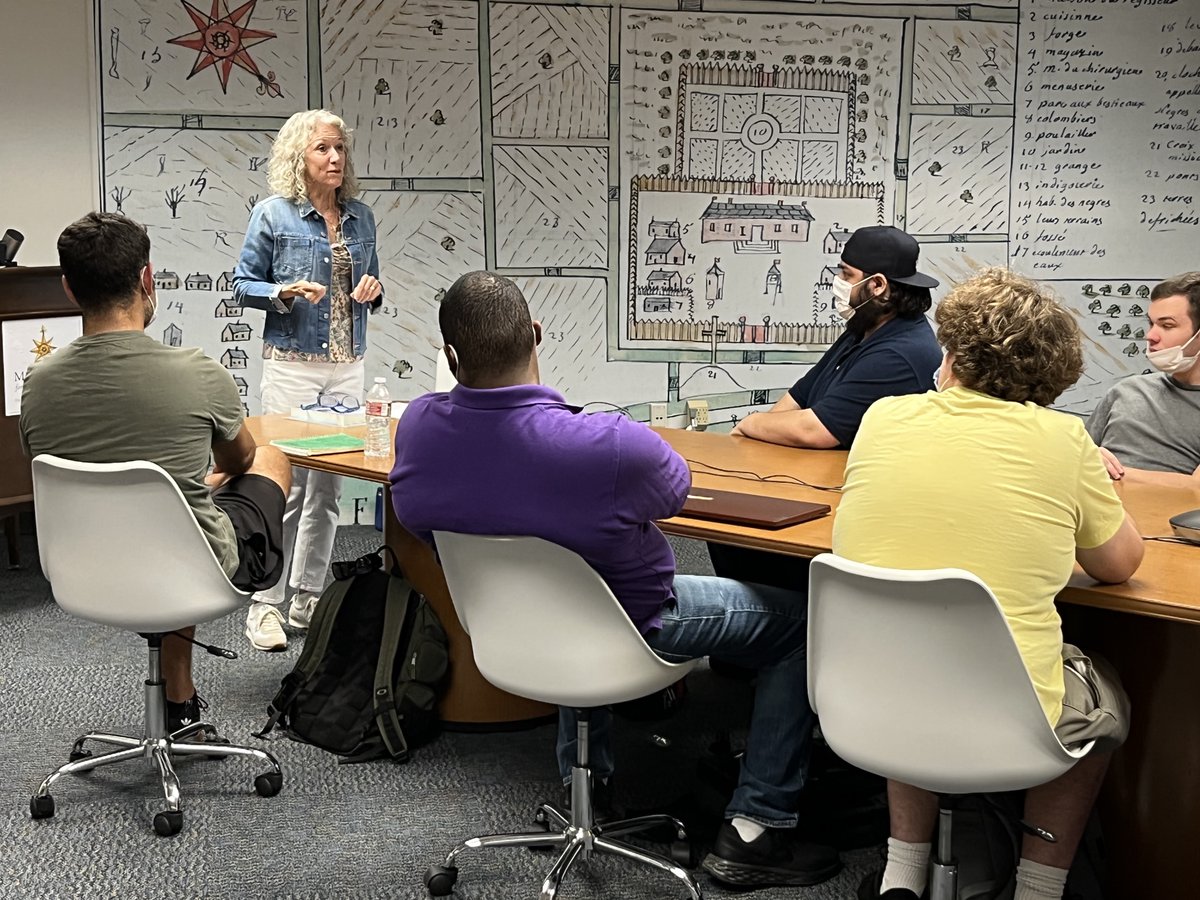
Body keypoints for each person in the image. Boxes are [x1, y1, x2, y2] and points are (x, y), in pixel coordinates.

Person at [389, 271, 841, 889]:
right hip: (640, 623)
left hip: (507, 631)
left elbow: (413, 517)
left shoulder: (417, 428)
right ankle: (756, 828)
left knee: (574, 595)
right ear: (537, 336)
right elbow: (675, 490)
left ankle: (592, 793)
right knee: (805, 623)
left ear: (449, 357)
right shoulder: (609, 444)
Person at [833, 268, 1142, 900]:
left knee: (916, 653)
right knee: (1104, 705)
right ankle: (1036, 889)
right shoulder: (1064, 438)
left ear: (952, 352)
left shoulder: (884, 417)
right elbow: (1119, 565)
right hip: (1008, 718)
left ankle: (901, 875)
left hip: (868, 699)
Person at [20, 211, 291, 734]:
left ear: (69, 289)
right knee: (269, 460)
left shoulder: (37, 383)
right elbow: (239, 462)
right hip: (190, 567)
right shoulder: (199, 373)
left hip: (83, 568)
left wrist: (173, 488)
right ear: (147, 280)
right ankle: (182, 688)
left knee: (180, 504)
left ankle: (179, 696)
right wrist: (191, 485)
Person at [713, 225, 943, 587]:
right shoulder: (865, 328)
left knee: (737, 530)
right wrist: (759, 440)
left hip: (848, 510)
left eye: (845, 273)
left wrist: (750, 423)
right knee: (727, 519)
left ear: (878, 285)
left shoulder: (903, 351)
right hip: (811, 483)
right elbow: (801, 397)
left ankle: (785, 631)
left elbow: (816, 429)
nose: (837, 281)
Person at [233, 108, 384, 652]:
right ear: (299, 156)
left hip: (348, 364)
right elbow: (240, 284)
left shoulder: (361, 217)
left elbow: (371, 281)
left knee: (330, 489)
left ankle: (309, 596)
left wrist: (372, 289)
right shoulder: (273, 215)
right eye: (323, 148)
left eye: (340, 148)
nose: (336, 158)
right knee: (287, 485)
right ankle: (265, 605)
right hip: (292, 363)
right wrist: (282, 292)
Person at [1087, 272, 1200, 487]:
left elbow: (1196, 488)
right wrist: (1089, 460)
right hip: (1102, 516)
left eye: (1167, 325)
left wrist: (1103, 469)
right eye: (1151, 324)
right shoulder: (1126, 391)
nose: (1151, 336)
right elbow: (1078, 459)